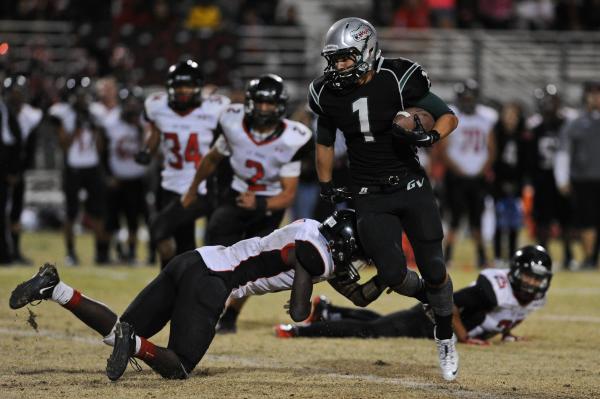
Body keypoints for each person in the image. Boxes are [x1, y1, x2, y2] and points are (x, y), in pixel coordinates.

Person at [9, 210, 371, 381]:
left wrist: (388, 282)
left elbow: (357, 294)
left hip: (195, 259)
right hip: (215, 281)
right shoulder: (316, 256)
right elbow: (297, 310)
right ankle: (134, 345)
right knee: (178, 365)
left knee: (121, 328)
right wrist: (309, 283)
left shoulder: (310, 226)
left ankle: (55, 288)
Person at [309, 17, 460, 380]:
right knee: (392, 273)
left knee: (435, 268)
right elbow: (325, 142)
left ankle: (444, 331)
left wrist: (430, 138)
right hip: (368, 192)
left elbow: (446, 115)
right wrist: (327, 185)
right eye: (335, 59)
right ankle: (437, 301)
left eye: (345, 58)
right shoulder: (325, 92)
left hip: (410, 185)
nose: (338, 66)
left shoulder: (396, 75)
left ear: (366, 50)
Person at [181, 74, 313, 333]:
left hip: (269, 205)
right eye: (260, 103)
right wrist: (193, 188)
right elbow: (211, 159)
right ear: (250, 103)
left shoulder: (292, 138)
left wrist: (261, 205)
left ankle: (230, 316)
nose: (264, 109)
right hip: (237, 196)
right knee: (215, 250)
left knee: (253, 264)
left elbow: (288, 195)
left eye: (270, 104)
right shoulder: (233, 123)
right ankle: (206, 304)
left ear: (280, 106)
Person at [277, 245, 552, 346]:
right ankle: (299, 332)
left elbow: (514, 313)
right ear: (515, 273)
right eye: (529, 276)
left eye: (537, 279)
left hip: (437, 328)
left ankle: (327, 312)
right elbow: (451, 303)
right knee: (371, 332)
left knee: (380, 325)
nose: (531, 283)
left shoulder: (536, 298)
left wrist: (507, 334)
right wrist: (465, 338)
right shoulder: (494, 289)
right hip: (430, 321)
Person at [136, 60, 230, 268]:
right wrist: (146, 151)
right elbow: (156, 133)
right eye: (178, 87)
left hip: (202, 187)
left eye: (187, 86)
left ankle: (170, 280)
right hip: (170, 183)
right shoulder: (158, 106)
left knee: (159, 229)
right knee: (182, 242)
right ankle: (177, 282)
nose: (183, 91)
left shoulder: (215, 107)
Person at [48, 77, 111, 266]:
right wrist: (76, 128)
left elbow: (99, 148)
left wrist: (94, 128)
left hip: (92, 167)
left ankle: (100, 254)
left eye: (85, 95)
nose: (84, 99)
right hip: (73, 168)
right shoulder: (63, 114)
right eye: (80, 96)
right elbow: (64, 145)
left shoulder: (95, 113)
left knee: (98, 213)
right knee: (71, 213)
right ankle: (70, 252)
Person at [441, 79, 497, 269]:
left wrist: (482, 169)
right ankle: (446, 256)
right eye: (465, 97)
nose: (468, 101)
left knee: (477, 221)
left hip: (477, 177)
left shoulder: (486, 118)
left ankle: (481, 256)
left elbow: (491, 148)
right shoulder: (451, 116)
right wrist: (458, 169)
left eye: (470, 97)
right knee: (454, 220)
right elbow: (443, 148)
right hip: (456, 177)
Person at [91, 84, 149, 263]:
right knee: (110, 220)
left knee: (134, 220)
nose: (132, 108)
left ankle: (131, 253)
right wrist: (107, 176)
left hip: (137, 179)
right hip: (116, 180)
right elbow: (99, 151)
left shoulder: (144, 123)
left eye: (135, 104)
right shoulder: (110, 122)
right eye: (129, 104)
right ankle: (104, 254)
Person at [524, 85, 575, 269]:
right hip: (543, 178)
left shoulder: (567, 124)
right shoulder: (535, 127)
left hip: (563, 178)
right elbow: (529, 157)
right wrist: (530, 180)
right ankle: (544, 256)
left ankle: (569, 255)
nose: (549, 106)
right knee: (542, 221)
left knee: (566, 219)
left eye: (552, 102)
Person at [555, 81, 600, 270]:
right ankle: (590, 258)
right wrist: (562, 178)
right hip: (584, 178)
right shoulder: (576, 122)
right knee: (587, 221)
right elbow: (564, 151)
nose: (595, 98)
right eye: (592, 94)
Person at [0, 75, 42, 265]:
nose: (16, 98)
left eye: (19, 94)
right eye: (13, 94)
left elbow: (30, 148)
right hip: (2, 169)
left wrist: (19, 172)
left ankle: (15, 251)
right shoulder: (3, 113)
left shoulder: (30, 116)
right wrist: (7, 172)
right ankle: (4, 253)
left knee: (16, 212)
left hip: (19, 170)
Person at [491, 102, 527, 266]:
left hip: (516, 182)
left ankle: (513, 255)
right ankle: (498, 256)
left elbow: (526, 161)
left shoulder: (523, 136)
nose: (511, 119)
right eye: (508, 115)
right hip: (499, 182)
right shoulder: (497, 133)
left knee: (514, 222)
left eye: (514, 115)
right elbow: (493, 158)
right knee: (499, 221)